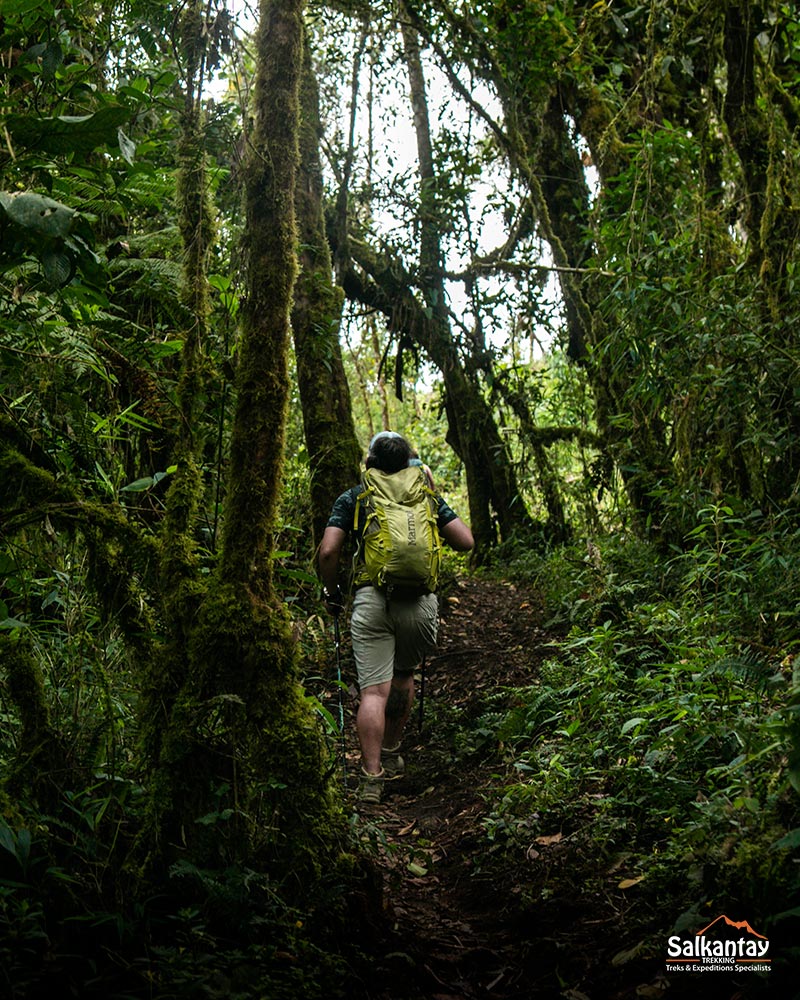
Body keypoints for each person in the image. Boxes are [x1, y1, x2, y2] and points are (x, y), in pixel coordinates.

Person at [318, 431, 474, 804]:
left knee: (373, 690)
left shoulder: (356, 497)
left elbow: (328, 552)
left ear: (369, 462)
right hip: (419, 604)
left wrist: (332, 592)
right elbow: (466, 541)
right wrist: (433, 496)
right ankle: (392, 749)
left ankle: (372, 777)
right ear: (409, 462)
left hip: (373, 599)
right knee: (404, 675)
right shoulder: (425, 498)